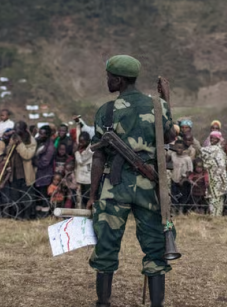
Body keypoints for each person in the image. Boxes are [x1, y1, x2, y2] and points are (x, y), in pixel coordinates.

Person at [86, 55, 174, 307]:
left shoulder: (107, 110)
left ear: (119, 79)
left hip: (115, 188)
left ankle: (103, 303)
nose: (107, 81)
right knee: (155, 246)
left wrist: (92, 195)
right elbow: (169, 137)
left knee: (106, 244)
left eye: (109, 77)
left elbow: (99, 157)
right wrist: (167, 101)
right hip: (150, 189)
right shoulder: (158, 106)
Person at [200, 131, 227, 217]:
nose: (212, 139)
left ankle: (214, 216)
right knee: (219, 198)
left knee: (214, 197)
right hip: (220, 178)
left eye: (215, 138)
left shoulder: (214, 149)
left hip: (215, 178)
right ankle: (217, 216)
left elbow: (201, 151)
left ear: (219, 139)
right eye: (211, 137)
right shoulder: (220, 150)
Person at [169, 141, 193, 215]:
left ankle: (181, 211)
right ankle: (174, 210)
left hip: (183, 181)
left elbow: (189, 170)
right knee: (174, 195)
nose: (178, 150)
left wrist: (183, 179)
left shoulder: (187, 158)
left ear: (183, 149)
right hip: (174, 179)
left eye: (180, 148)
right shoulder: (173, 155)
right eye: (177, 148)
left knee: (183, 196)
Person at [74, 131, 93, 207]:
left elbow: (81, 161)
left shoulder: (90, 150)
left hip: (87, 176)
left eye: (83, 142)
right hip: (81, 176)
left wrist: (76, 152)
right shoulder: (81, 148)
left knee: (87, 195)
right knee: (81, 195)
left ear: (88, 141)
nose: (81, 143)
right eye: (80, 141)